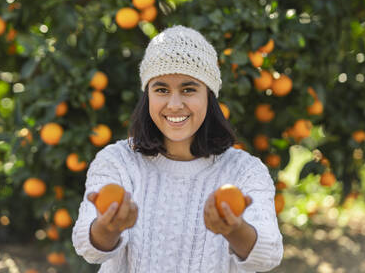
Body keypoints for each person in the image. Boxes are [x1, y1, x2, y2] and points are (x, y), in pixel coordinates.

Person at [72, 25, 283, 272]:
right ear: (147, 95)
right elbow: (88, 248)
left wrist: (235, 230)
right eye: (161, 89)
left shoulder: (245, 171)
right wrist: (108, 228)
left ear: (209, 96)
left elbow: (268, 254)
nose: (174, 104)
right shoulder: (117, 161)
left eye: (188, 89)